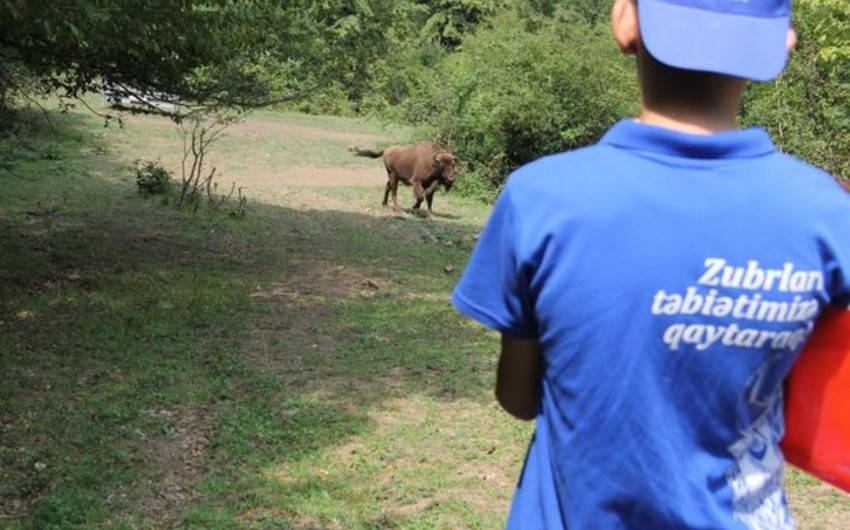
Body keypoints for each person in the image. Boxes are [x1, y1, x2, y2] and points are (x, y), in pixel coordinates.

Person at [451, 0, 850, 528]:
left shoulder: (541, 198)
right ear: (782, 45)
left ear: (625, 22)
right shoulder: (828, 215)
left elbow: (519, 398)